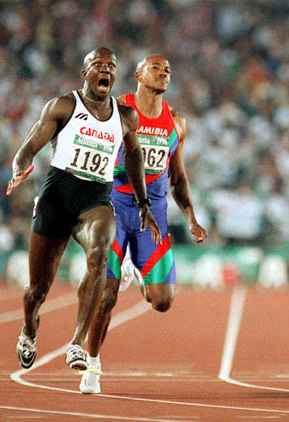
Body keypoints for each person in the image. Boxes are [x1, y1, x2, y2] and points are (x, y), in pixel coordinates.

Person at [7, 47, 160, 371]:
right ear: (85, 72)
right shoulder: (63, 106)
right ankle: (29, 330)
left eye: (111, 66)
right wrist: (20, 168)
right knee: (38, 289)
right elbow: (29, 147)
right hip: (57, 198)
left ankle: (76, 344)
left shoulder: (124, 116)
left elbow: (134, 155)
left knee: (100, 253)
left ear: (114, 75)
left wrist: (143, 201)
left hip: (95, 200)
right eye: (97, 65)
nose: (105, 70)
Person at [80, 54, 207, 394]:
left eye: (168, 69)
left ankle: (137, 269)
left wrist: (192, 218)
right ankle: (92, 366)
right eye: (156, 67)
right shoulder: (115, 110)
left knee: (163, 301)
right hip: (114, 210)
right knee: (106, 296)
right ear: (138, 74)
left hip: (154, 217)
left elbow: (178, 178)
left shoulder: (176, 121)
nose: (164, 72)